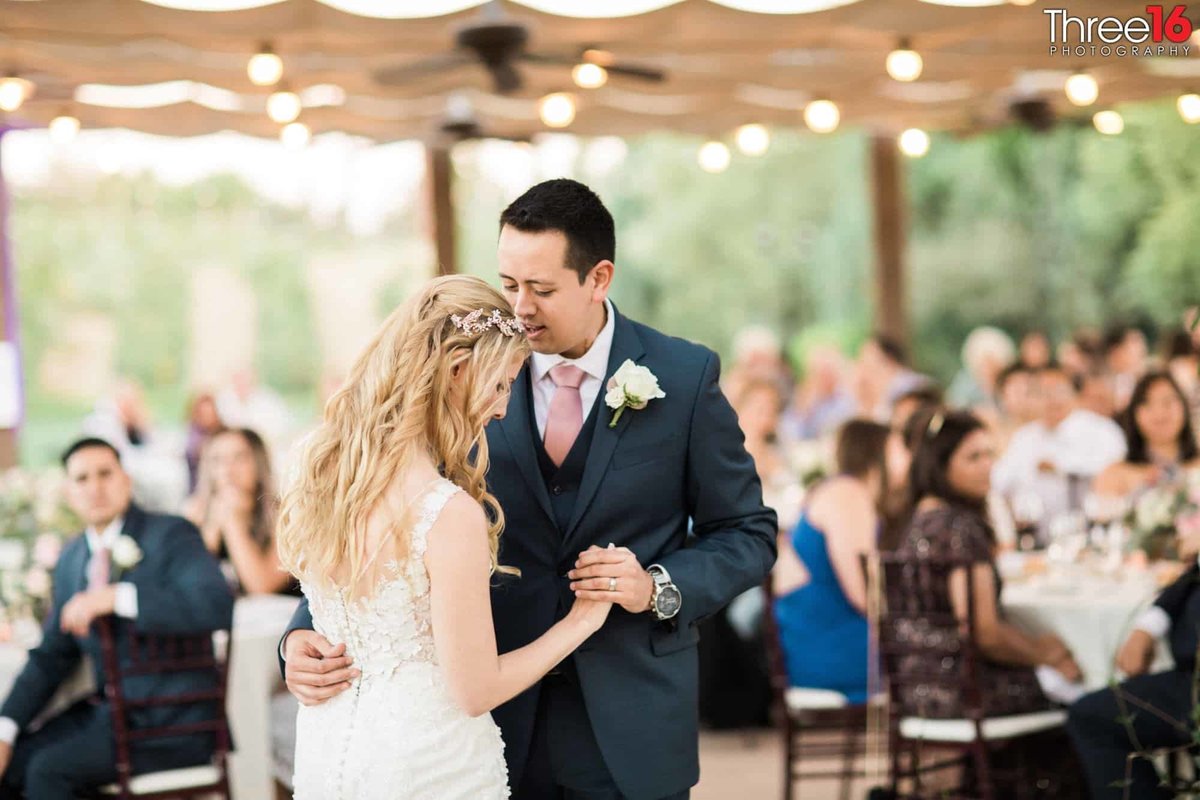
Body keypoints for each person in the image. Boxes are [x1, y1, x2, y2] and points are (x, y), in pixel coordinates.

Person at [280, 181, 777, 800]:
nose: (518, 307)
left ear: (599, 278)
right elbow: (380, 507)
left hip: (631, 722)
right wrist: (303, 633)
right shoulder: (457, 375)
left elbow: (747, 534)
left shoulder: (683, 376)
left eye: (540, 289)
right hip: (483, 714)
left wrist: (657, 585)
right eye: (509, 283)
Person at [0, 438, 233, 800]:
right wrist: (5, 728)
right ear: (68, 492)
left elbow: (216, 604)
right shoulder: (72, 558)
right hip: (109, 715)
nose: (95, 488)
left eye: (105, 474)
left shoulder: (172, 534)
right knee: (11, 766)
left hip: (174, 723)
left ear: (126, 479)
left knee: (48, 770)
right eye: (82, 479)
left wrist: (118, 597)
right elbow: (52, 655)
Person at [894, 410, 1085, 717]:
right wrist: (1045, 654)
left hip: (914, 684)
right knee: (1085, 688)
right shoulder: (959, 529)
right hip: (961, 689)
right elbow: (984, 633)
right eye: (973, 458)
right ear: (940, 466)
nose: (988, 466)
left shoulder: (919, 520)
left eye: (989, 454)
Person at [774, 420, 901, 702]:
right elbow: (863, 594)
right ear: (876, 451)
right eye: (898, 448)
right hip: (832, 647)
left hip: (822, 639)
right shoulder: (848, 495)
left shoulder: (841, 491)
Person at [1067, 559, 1200, 799]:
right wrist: (1148, 627)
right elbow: (1194, 573)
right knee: (1093, 711)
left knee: (1093, 718)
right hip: (1188, 677)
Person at [992, 364, 1126, 525]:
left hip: (1094, 527)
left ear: (1074, 392)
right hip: (1036, 534)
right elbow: (999, 480)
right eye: (1042, 392)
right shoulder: (1024, 438)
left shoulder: (1102, 430)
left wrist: (1060, 467)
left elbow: (1115, 472)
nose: (1051, 399)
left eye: (1058, 390)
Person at [185, 427, 296, 595]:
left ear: (259, 463)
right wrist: (212, 529)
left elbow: (262, 588)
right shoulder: (196, 513)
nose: (228, 470)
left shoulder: (285, 515)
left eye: (239, 458)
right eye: (217, 460)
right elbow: (187, 583)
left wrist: (232, 521)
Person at [947, 326, 1015, 411]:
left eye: (992, 363)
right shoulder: (965, 385)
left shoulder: (1010, 385)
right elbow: (955, 406)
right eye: (984, 363)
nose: (988, 368)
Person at [184, 392, 223, 493]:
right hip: (197, 488)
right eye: (203, 413)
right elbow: (193, 452)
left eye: (210, 413)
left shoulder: (224, 434)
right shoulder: (193, 433)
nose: (207, 417)